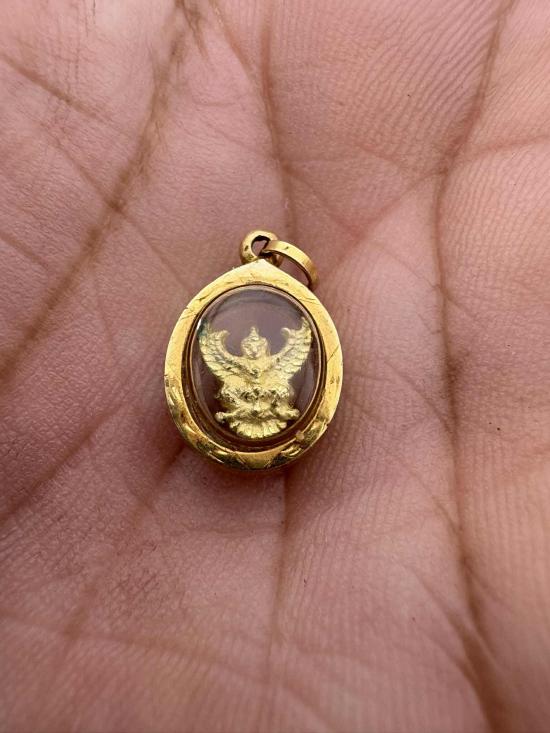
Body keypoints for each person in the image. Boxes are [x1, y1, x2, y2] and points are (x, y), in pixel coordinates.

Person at [1, 1, 549, 731]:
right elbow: (217, 358)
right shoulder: (231, 332)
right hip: (238, 418)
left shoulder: (281, 334)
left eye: (266, 350)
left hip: (263, 420)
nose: (258, 352)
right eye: (252, 350)